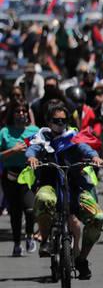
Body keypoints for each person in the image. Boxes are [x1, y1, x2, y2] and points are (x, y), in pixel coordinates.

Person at [26, 102, 103, 280]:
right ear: (49, 121)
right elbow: (33, 148)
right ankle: (45, 240)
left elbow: (85, 148)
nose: (60, 124)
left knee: (97, 218)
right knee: (44, 199)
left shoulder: (73, 137)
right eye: (56, 120)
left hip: (75, 187)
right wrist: (31, 157)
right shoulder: (42, 137)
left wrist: (94, 157)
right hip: (50, 185)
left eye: (63, 120)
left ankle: (82, 260)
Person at [0, 101, 39, 256]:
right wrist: (13, 150)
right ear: (12, 113)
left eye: (24, 111)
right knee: (15, 212)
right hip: (10, 177)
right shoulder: (4, 132)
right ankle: (17, 243)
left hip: (29, 176)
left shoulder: (34, 131)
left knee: (30, 209)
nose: (21, 113)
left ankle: (29, 236)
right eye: (17, 111)